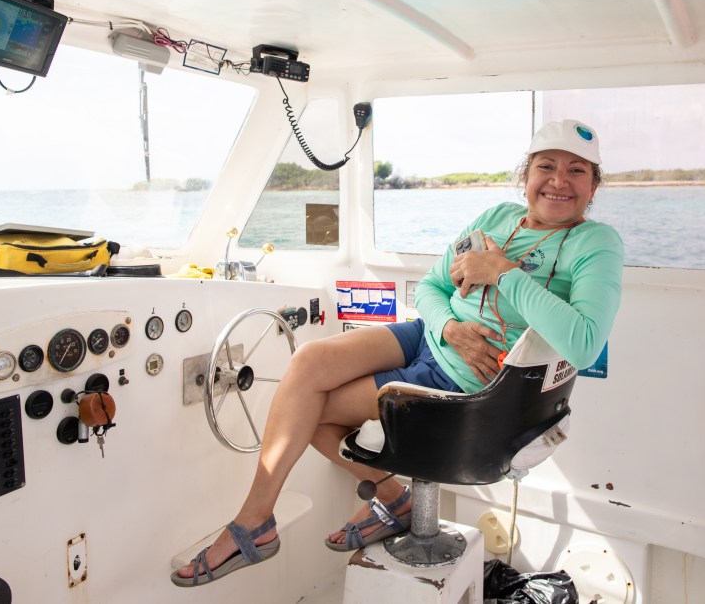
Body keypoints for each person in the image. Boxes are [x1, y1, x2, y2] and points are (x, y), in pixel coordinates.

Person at [172, 118, 624, 587]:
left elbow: (584, 341)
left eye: (577, 171)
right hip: (433, 335)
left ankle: (265, 522)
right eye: (545, 166)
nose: (558, 180)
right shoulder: (495, 219)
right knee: (307, 364)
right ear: (525, 176)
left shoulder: (598, 244)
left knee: (313, 411)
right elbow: (432, 286)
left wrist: (503, 272)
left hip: (472, 381)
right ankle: (367, 500)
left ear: (593, 187)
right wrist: (448, 326)